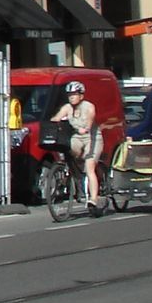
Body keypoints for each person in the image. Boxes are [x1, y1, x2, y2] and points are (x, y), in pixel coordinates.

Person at [50, 79, 100, 212]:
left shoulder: (89, 106)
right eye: (69, 95)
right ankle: (78, 173)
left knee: (90, 168)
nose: (71, 97)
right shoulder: (67, 108)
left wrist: (87, 128)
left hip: (92, 137)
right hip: (77, 136)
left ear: (81, 95)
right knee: (71, 150)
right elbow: (57, 118)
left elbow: (90, 119)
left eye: (74, 94)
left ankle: (93, 199)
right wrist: (53, 123)